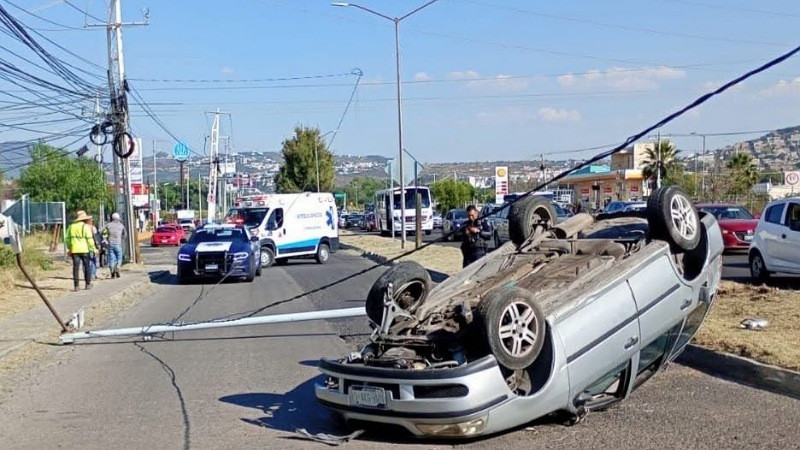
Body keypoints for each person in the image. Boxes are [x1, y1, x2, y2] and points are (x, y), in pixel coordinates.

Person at [66, 210, 97, 291]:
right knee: (87, 267)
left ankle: (76, 286)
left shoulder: (71, 227)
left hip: (75, 250)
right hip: (85, 249)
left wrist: (70, 247)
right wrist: (93, 248)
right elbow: (89, 239)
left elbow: (67, 239)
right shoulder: (85, 227)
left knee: (75, 268)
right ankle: (88, 284)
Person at [103, 212, 127, 278]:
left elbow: (101, 231)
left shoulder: (108, 225)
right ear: (118, 218)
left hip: (110, 243)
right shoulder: (121, 225)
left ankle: (112, 271)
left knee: (111, 258)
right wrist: (121, 238)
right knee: (119, 257)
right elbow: (125, 234)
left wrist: (105, 238)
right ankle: (118, 266)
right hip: (118, 243)